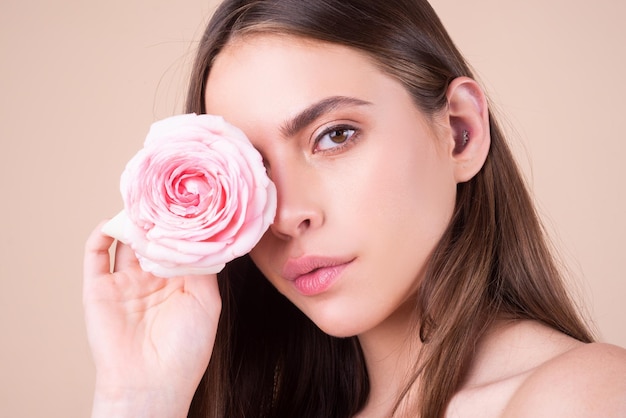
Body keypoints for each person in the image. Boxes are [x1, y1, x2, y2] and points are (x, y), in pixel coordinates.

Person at [83, 0, 626, 417]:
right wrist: (138, 398)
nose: (285, 214)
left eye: (335, 135)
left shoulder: (582, 396)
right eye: (254, 169)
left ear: (461, 131)